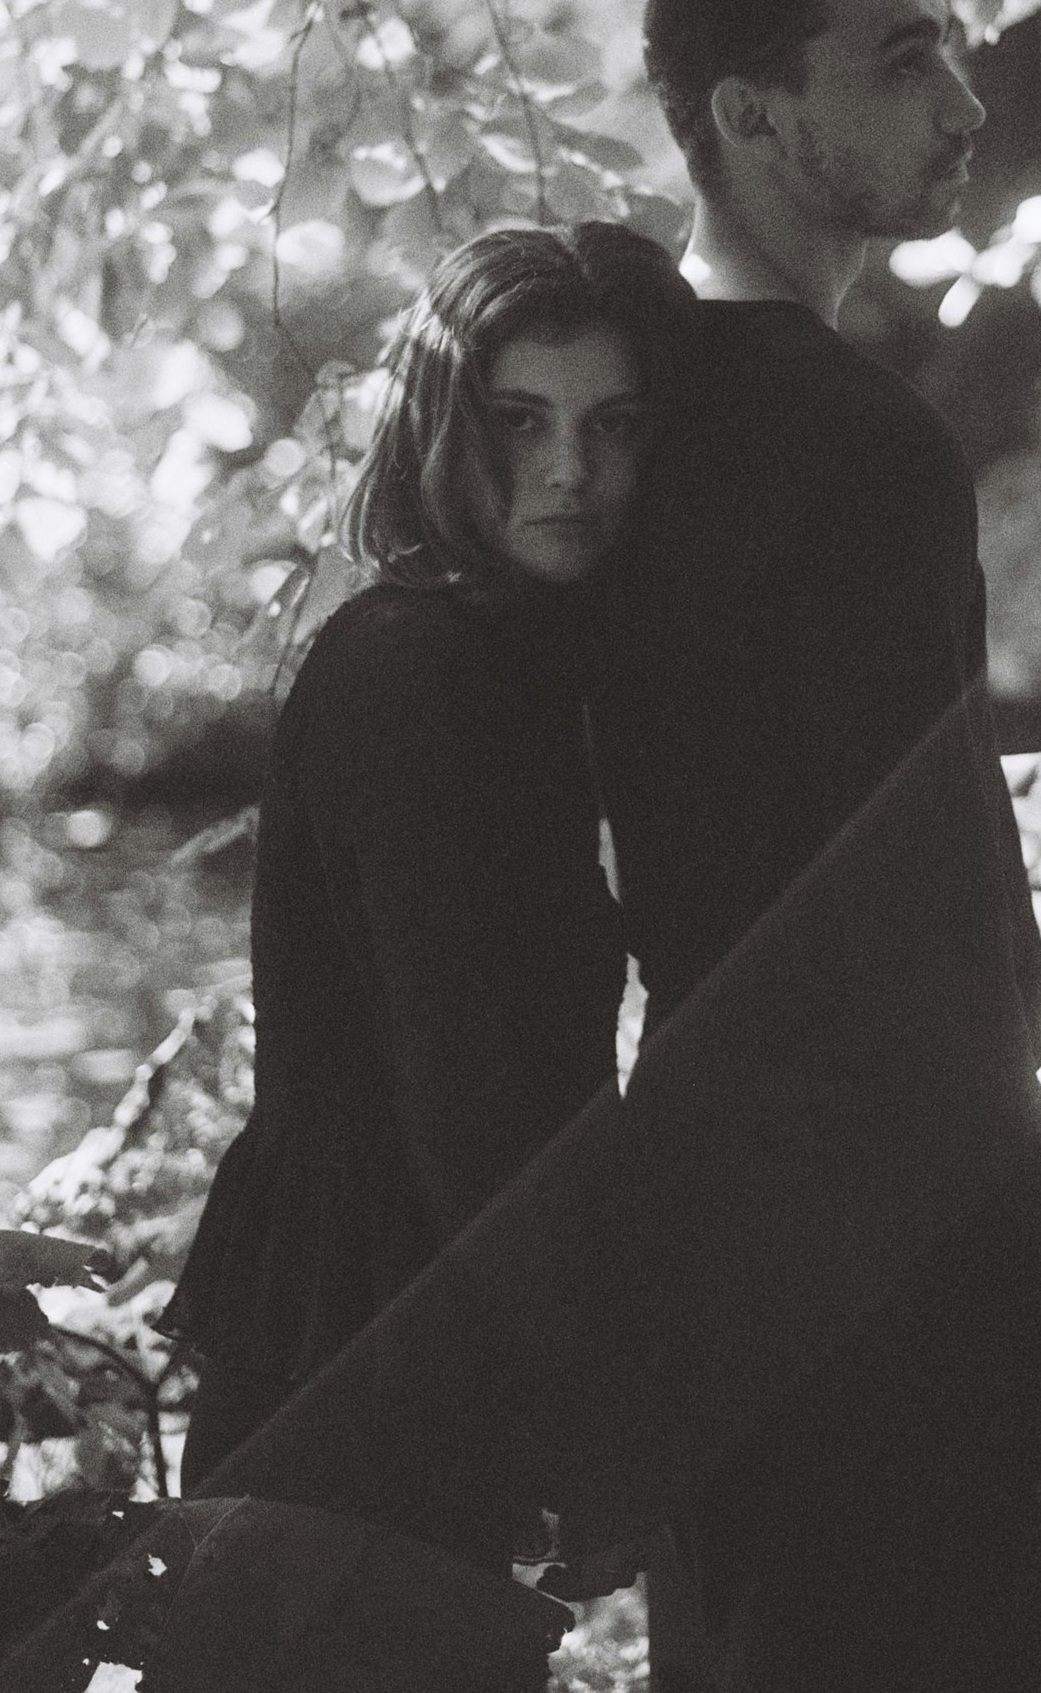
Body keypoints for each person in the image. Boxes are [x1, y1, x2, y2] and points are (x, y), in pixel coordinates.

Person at [592, 0, 1041, 1691]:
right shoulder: (848, 445)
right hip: (885, 1286)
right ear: (751, 114)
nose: (967, 100)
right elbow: (908, 944)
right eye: (903, 55)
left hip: (701, 1251)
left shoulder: (629, 410)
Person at [161, 220, 694, 1572]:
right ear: (444, 432)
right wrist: (609, 1439)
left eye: (613, 424)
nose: (570, 470)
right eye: (520, 423)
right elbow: (476, 1094)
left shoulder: (504, 657)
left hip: (407, 1343)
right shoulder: (420, 678)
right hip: (355, 1370)